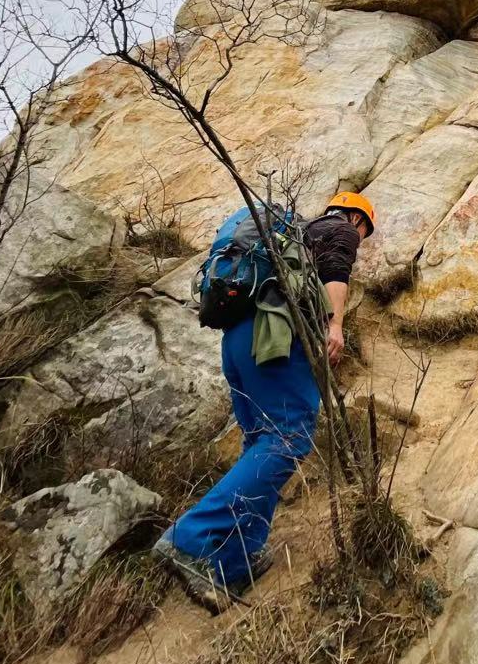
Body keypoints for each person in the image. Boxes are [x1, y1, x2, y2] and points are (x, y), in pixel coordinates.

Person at [153, 191, 375, 612]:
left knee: (262, 443)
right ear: (354, 217)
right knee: (289, 437)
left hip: (237, 341)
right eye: (364, 229)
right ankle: (191, 539)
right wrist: (336, 324)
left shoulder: (295, 231)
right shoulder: (340, 229)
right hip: (271, 335)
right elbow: (335, 270)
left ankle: (237, 559)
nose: (360, 238)